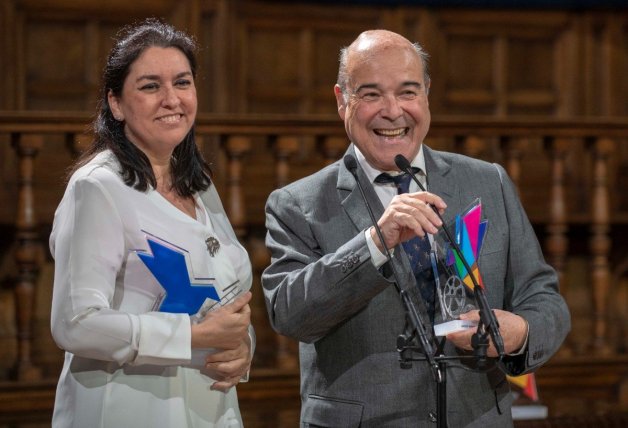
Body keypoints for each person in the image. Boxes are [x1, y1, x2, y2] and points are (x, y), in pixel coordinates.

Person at [261, 29, 570, 427]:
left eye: (407, 92)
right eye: (371, 94)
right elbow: (290, 314)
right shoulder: (297, 204)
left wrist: (521, 332)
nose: (393, 111)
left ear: (426, 94)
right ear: (342, 101)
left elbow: (544, 297)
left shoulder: (486, 182)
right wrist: (376, 242)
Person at [49, 19, 254, 428]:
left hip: (209, 405)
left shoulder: (199, 185)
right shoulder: (97, 188)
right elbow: (76, 324)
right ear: (116, 103)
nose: (171, 99)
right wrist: (193, 338)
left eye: (182, 82)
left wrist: (241, 350)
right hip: (128, 406)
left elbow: (223, 294)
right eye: (150, 86)